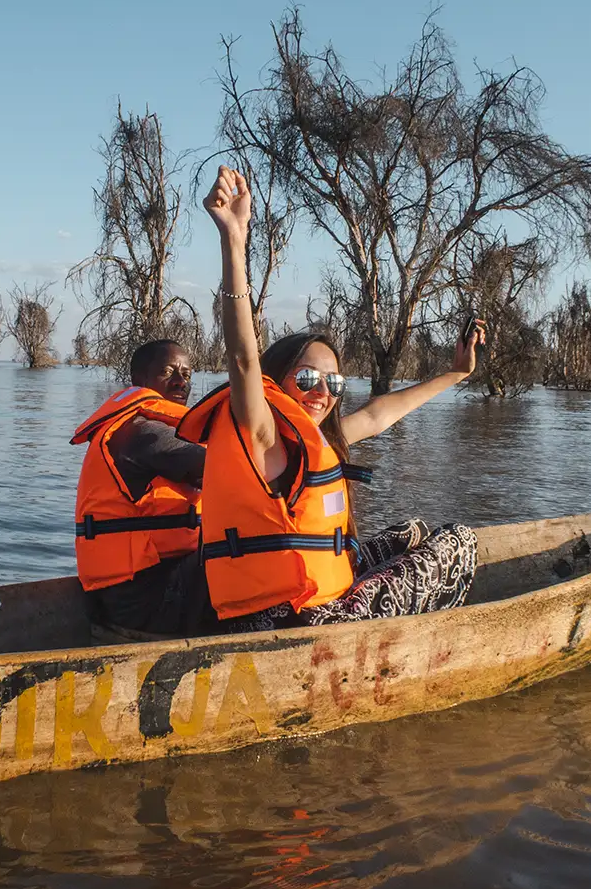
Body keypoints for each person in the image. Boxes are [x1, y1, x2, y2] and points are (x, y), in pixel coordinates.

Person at [179, 165, 486, 632]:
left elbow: (382, 413)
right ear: (277, 380)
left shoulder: (315, 438)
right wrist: (233, 241)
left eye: (334, 383)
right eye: (307, 378)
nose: (322, 392)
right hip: (289, 623)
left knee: (412, 534)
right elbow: (243, 358)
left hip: (303, 607)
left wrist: (456, 373)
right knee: (460, 541)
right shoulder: (262, 434)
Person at [72, 338, 207, 633]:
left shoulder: (150, 427)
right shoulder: (143, 432)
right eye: (168, 372)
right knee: (245, 556)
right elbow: (223, 469)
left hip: (140, 586)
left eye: (186, 374)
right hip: (142, 596)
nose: (180, 382)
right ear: (139, 380)